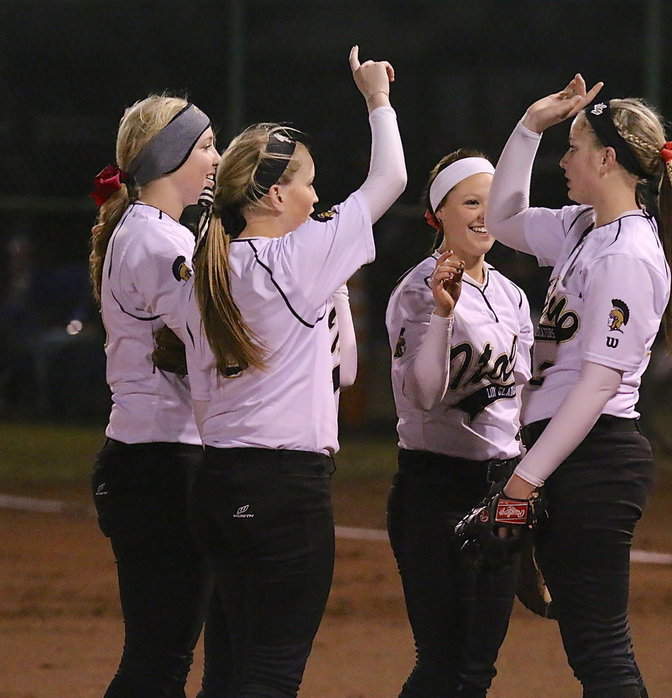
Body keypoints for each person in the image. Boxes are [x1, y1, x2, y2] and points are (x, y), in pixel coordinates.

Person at [482, 75, 672, 698]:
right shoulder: (582, 229)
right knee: (592, 651)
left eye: (571, 148)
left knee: (601, 653)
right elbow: (501, 217)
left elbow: (597, 385)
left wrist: (523, 480)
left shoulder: (625, 253)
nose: (564, 161)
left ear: (606, 158)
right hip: (571, 455)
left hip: (595, 458)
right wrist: (528, 128)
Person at [185, 46, 406, 697]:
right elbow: (389, 178)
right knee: (272, 674)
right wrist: (377, 100)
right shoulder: (295, 259)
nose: (316, 194)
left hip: (218, 478)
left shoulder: (209, 260)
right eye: (307, 180)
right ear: (276, 191)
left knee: (227, 669)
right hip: (283, 485)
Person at [385, 149, 533, 697]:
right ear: (437, 213)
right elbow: (424, 396)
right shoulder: (416, 291)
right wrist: (444, 313)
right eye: (470, 202)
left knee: (478, 670)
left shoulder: (511, 294)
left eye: (492, 203)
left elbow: (517, 405)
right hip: (435, 487)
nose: (483, 214)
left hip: (503, 488)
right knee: (443, 665)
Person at [88, 95, 220, 696]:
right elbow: (215, 342)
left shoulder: (154, 232)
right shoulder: (159, 243)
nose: (217, 159)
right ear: (169, 158)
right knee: (159, 661)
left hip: (151, 456)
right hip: (160, 461)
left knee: (161, 656)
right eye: (207, 146)